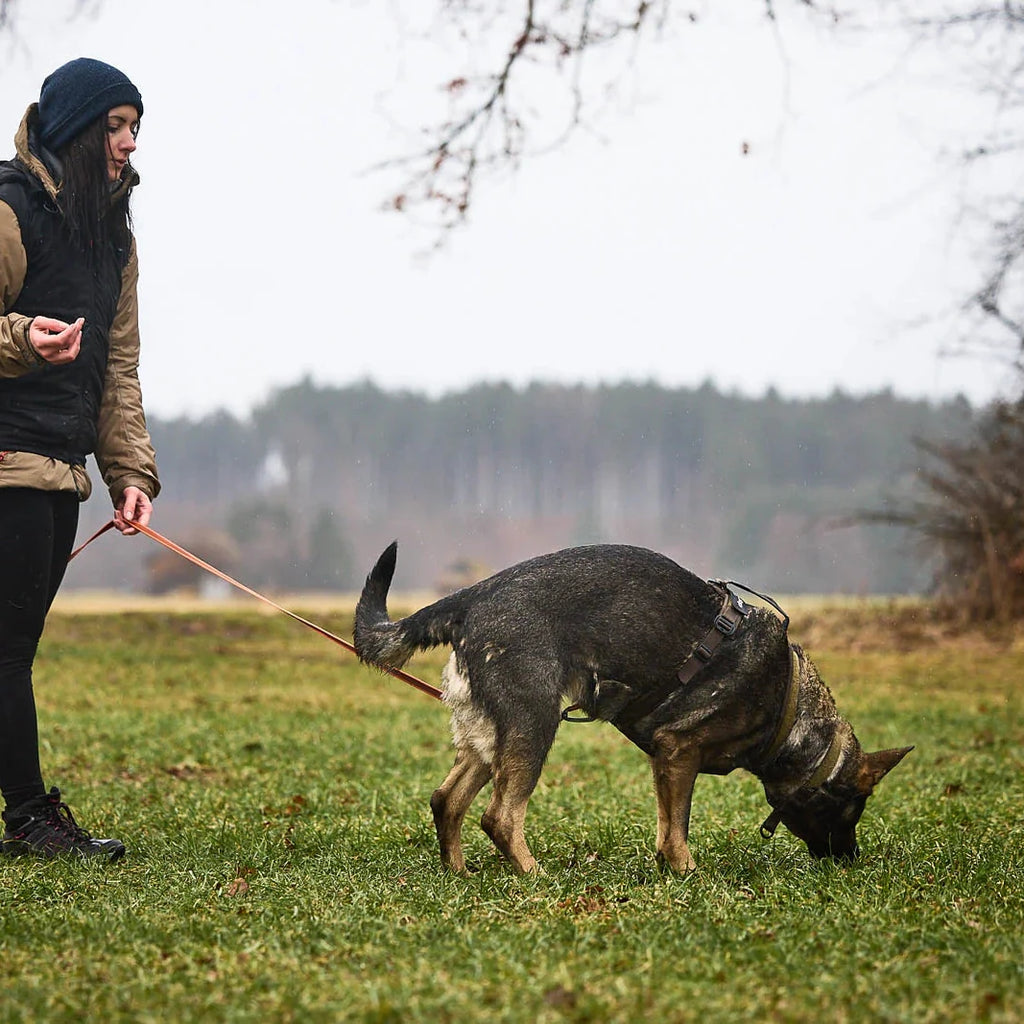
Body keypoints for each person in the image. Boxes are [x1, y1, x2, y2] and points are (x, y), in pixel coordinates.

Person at [0, 58, 160, 861]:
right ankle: (29, 820)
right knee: (6, 652)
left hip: (60, 473)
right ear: (75, 129)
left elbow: (117, 372)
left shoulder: (116, 241)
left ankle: (26, 817)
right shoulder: (8, 209)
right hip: (9, 465)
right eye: (116, 126)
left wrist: (129, 476)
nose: (129, 144)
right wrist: (23, 337)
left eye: (135, 128)